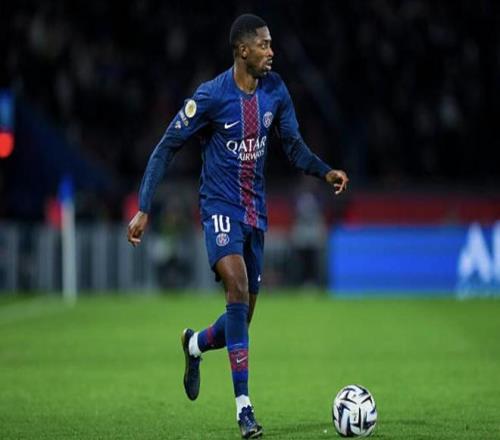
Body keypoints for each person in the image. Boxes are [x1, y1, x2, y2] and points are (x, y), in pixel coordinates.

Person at [127, 13, 349, 439]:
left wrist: (325, 171)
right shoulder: (211, 96)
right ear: (242, 50)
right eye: (264, 45)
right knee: (237, 286)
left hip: (255, 214)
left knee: (240, 319)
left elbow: (294, 147)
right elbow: (165, 147)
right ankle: (244, 409)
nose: (272, 52)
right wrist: (143, 207)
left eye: (271, 44)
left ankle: (194, 344)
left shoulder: (275, 90)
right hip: (219, 207)